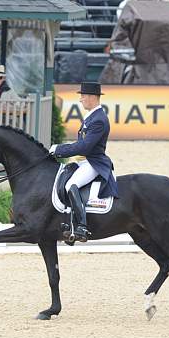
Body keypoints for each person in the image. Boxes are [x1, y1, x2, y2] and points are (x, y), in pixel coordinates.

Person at [48, 82, 118, 242]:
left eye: (83, 96)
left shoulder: (99, 119)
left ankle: (82, 227)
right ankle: (70, 223)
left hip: (94, 163)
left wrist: (59, 149)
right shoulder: (92, 117)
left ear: (93, 97)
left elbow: (85, 147)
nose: (81, 99)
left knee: (70, 185)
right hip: (84, 161)